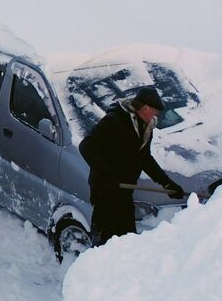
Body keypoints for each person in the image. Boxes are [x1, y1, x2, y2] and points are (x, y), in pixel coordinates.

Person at [78, 86, 186, 245]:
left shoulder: (146, 126)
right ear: (145, 108)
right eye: (154, 111)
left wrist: (166, 183)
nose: (156, 115)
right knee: (104, 241)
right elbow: (86, 146)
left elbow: (144, 158)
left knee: (128, 240)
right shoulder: (114, 120)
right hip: (105, 190)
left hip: (124, 190)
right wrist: (107, 175)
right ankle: (100, 267)